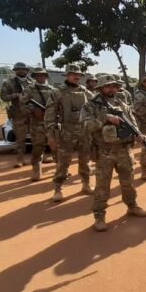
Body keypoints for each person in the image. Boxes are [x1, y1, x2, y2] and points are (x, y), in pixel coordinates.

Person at [81, 76, 146, 232]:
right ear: (100, 89)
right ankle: (99, 215)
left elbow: (133, 124)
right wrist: (105, 118)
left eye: (114, 86)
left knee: (128, 182)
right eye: (108, 87)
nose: (112, 89)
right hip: (105, 152)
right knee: (103, 185)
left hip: (124, 150)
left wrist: (138, 135)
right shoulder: (91, 106)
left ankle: (132, 206)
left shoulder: (122, 104)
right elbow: (86, 125)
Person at [45, 64, 93, 201]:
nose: (76, 76)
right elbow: (50, 114)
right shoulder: (57, 92)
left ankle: (86, 184)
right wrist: (50, 134)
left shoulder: (86, 92)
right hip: (66, 132)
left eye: (78, 74)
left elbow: (96, 107)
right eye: (73, 74)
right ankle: (58, 189)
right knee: (63, 162)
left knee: (85, 160)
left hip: (84, 132)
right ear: (67, 75)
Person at [21, 67, 56, 182]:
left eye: (43, 75)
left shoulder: (53, 90)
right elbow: (22, 105)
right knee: (37, 147)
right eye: (38, 75)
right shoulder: (29, 89)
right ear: (34, 77)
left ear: (46, 76)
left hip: (52, 123)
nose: (40, 77)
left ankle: (61, 169)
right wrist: (33, 110)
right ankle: (37, 170)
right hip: (37, 124)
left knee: (56, 147)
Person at [0, 62, 33, 168]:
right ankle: (20, 159)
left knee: (38, 137)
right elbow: (4, 97)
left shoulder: (32, 82)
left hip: (32, 114)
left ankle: (38, 158)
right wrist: (16, 95)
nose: (21, 71)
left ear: (27, 71)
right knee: (20, 138)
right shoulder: (9, 83)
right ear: (15, 70)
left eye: (23, 69)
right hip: (18, 114)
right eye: (18, 69)